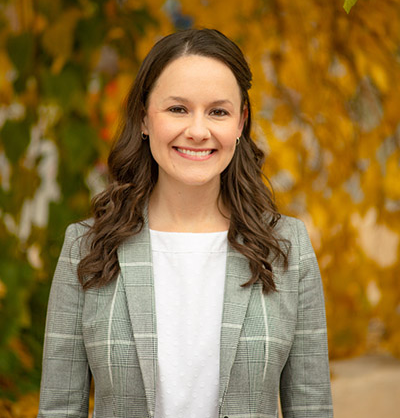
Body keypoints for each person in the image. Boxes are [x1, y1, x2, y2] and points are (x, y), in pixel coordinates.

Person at [37, 28, 333, 418]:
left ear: (241, 122)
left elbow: (312, 408)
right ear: (144, 118)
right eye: (178, 109)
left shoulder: (287, 247)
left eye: (218, 111)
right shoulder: (86, 247)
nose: (197, 130)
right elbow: (59, 409)